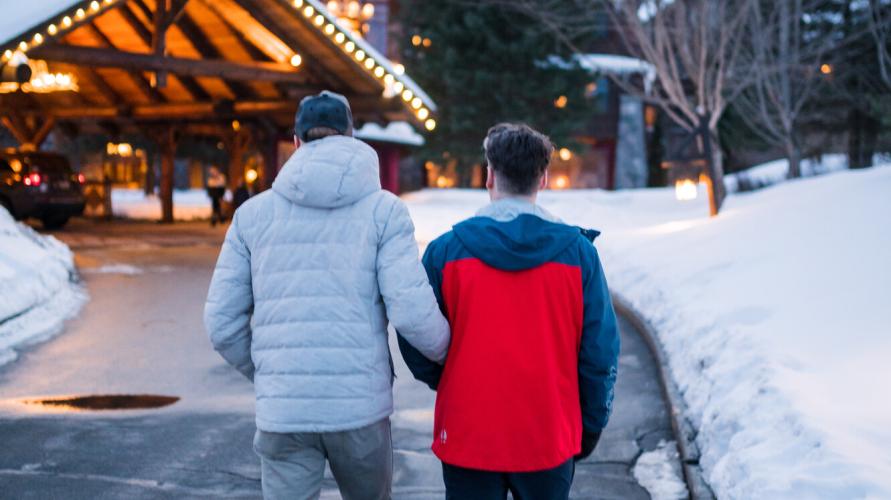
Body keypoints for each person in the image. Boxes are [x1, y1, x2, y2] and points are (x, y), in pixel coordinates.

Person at [204, 90, 450, 500]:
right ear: (351, 137)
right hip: (360, 411)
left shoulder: (252, 215)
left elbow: (220, 324)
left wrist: (270, 373)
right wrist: (449, 357)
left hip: (284, 414)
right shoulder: (384, 211)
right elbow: (411, 312)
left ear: (296, 142)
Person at [398, 123, 620, 500]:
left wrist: (450, 378)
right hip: (548, 433)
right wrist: (591, 422)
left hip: (468, 431)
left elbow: (414, 331)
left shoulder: (445, 252)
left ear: (489, 176)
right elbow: (599, 351)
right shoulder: (579, 256)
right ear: (544, 178)